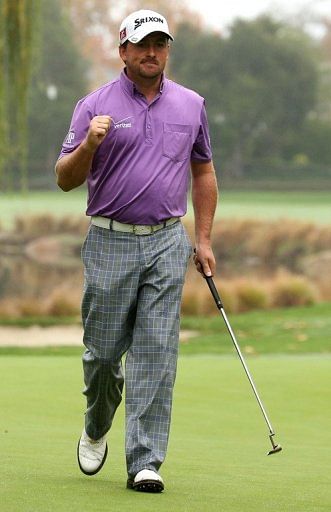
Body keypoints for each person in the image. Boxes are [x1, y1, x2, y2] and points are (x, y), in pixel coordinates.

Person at [55, 9, 218, 493]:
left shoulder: (192, 105)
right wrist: (89, 144)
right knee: (104, 354)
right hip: (108, 239)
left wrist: (203, 238)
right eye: (143, 44)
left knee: (155, 353)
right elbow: (65, 179)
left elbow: (203, 172)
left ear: (168, 50)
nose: (152, 53)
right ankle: (97, 422)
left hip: (168, 242)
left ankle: (145, 460)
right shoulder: (94, 105)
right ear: (123, 50)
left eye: (161, 44)